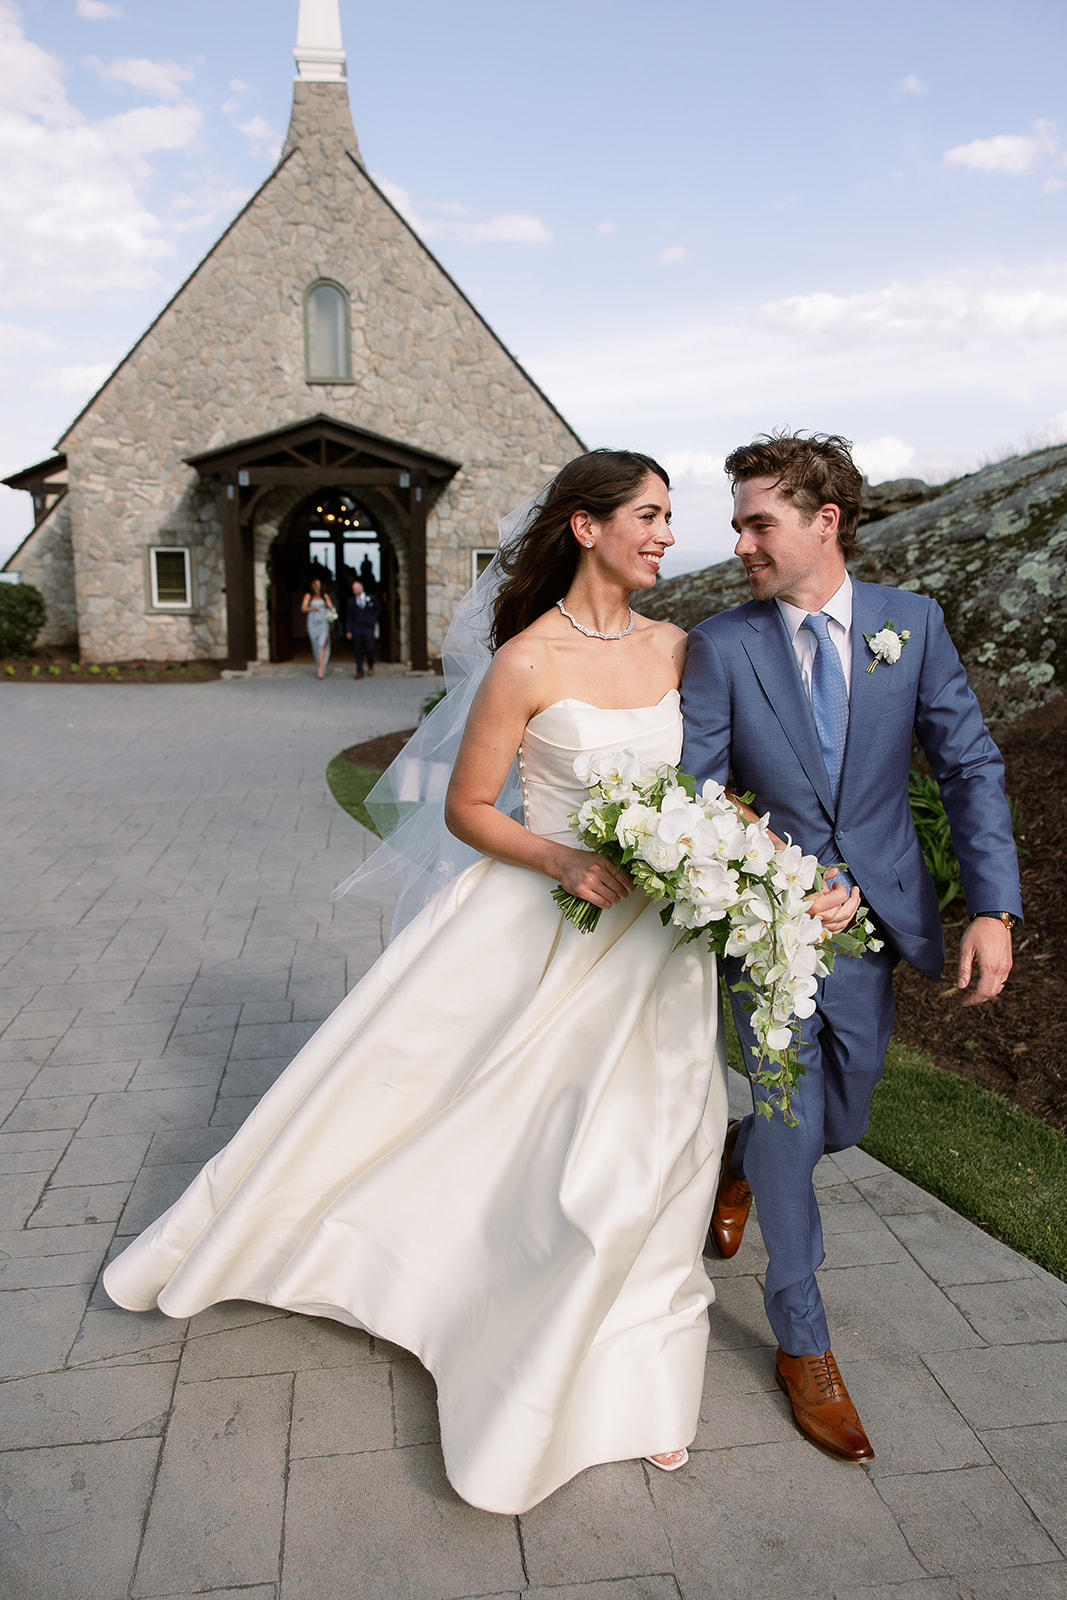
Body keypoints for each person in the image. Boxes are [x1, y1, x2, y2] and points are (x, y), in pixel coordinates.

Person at [103, 449, 731, 1514]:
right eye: (650, 514)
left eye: (672, 516)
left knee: (664, 1146)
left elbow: (712, 786)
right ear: (585, 527)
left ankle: (639, 1371)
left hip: (658, 944)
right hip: (553, 918)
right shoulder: (526, 661)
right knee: (524, 1143)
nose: (667, 533)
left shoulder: (681, 648)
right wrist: (564, 858)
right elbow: (471, 808)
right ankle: (451, 1292)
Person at [681, 431, 1022, 1464]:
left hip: (877, 926)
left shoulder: (907, 627)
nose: (739, 540)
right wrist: (782, 874)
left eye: (757, 522)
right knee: (791, 1117)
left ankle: (734, 1165)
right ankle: (802, 1338)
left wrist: (990, 908)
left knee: (845, 1113)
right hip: (769, 930)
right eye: (736, 521)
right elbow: (697, 796)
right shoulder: (720, 643)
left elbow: (967, 766)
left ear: (823, 522)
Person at [345, 578, 379, 678]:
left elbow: (378, 608)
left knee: (370, 648)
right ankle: (359, 671)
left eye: (357, 588)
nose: (355, 590)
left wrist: (372, 619)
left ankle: (370, 664)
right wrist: (348, 630)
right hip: (357, 628)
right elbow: (349, 616)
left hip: (368, 627)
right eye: (354, 589)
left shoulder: (371, 597)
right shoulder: (350, 601)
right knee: (358, 650)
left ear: (362, 588)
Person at [301, 576, 334, 678]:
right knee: (315, 645)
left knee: (322, 644)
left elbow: (331, 607)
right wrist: (312, 608)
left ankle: (320, 670)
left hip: (323, 622)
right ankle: (319, 664)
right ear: (312, 586)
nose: (317, 587)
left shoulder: (324, 595)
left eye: (319, 585)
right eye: (315, 585)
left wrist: (330, 612)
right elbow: (303, 608)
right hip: (313, 621)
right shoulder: (308, 596)